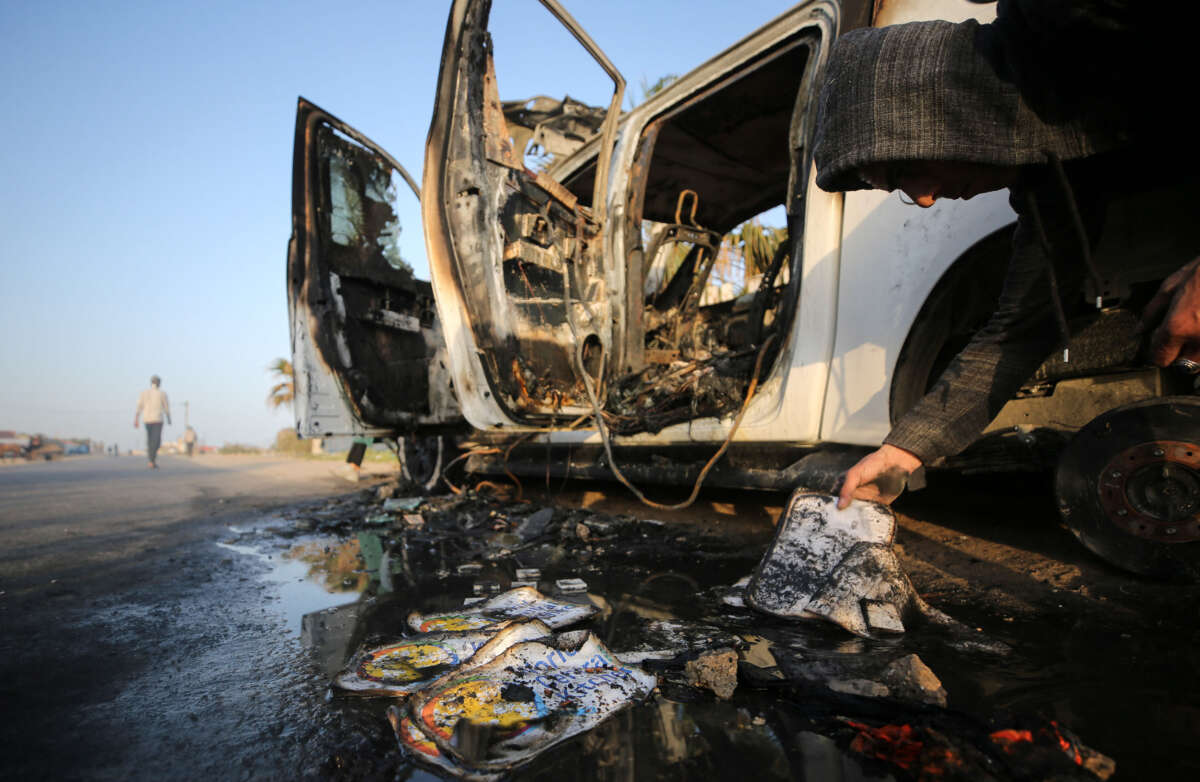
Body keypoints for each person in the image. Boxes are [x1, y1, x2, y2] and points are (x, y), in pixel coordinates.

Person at [810, 3, 1200, 509]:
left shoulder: (1067, 19)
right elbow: (1016, 333)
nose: (926, 197)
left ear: (933, 108)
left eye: (906, 167)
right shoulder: (1053, 198)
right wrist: (903, 450)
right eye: (903, 191)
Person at [134, 375, 171, 469]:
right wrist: (168, 418)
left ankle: (151, 460)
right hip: (155, 419)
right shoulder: (158, 394)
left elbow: (139, 406)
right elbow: (166, 407)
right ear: (158, 383)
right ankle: (152, 460)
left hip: (150, 419)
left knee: (152, 440)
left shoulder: (159, 393)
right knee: (155, 440)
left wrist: (136, 419)